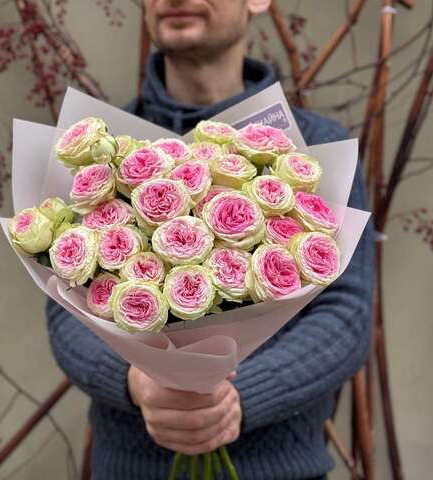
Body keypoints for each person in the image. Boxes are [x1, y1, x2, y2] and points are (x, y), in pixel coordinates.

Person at [46, 1, 375, 478]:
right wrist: (136, 381)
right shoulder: (100, 157)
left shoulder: (315, 150)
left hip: (277, 467)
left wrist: (237, 399)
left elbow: (346, 313)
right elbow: (64, 307)